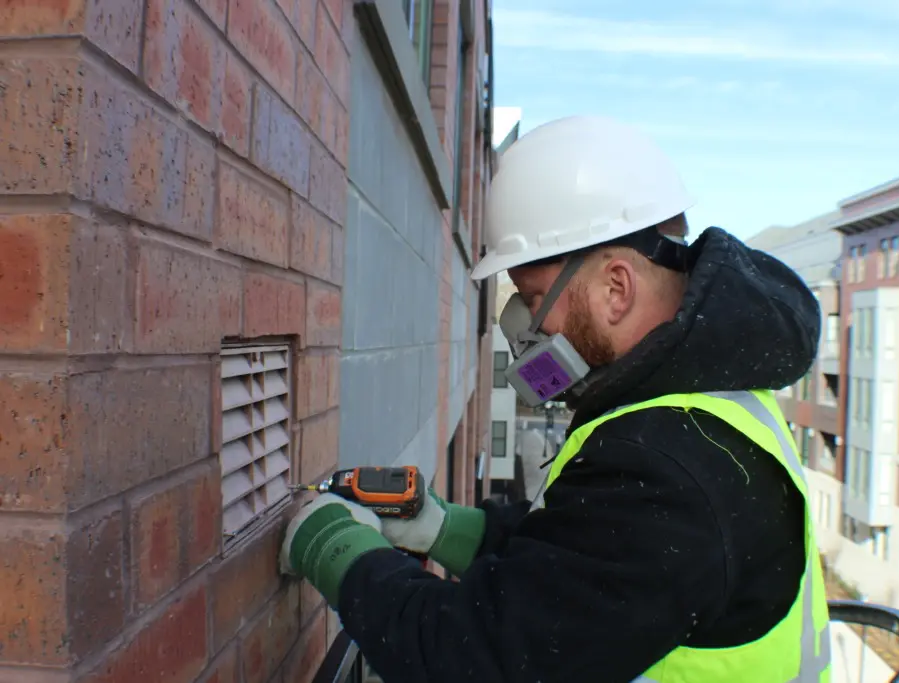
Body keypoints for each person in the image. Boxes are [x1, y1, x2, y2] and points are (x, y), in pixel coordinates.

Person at [280, 115, 832, 682]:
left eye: (535, 298)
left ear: (616, 288)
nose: (525, 330)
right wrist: (445, 529)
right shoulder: (697, 399)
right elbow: (584, 557)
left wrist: (339, 554)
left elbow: (476, 658)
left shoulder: (668, 468)